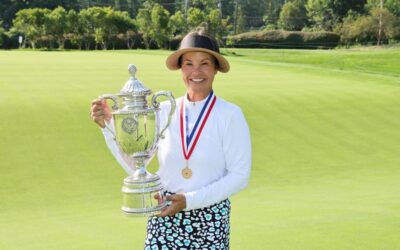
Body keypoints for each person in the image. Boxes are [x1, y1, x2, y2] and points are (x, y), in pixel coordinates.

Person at [90, 29, 251, 249]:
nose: (196, 71)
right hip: (164, 214)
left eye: (204, 63)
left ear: (215, 69)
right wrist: (108, 126)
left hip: (210, 220)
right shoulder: (164, 110)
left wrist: (189, 201)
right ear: (180, 69)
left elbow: (239, 176)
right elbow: (137, 165)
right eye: (188, 64)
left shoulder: (230, 115)